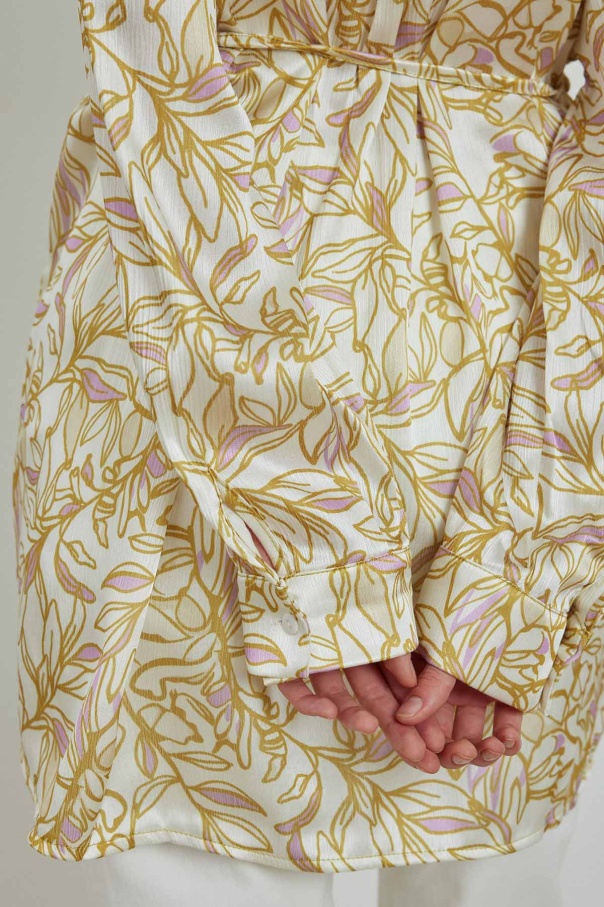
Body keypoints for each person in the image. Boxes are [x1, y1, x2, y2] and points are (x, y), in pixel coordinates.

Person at [11, 0, 604, 903]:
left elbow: (154, 54)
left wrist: (514, 566)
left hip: (216, 324)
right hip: (458, 376)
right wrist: (512, 564)